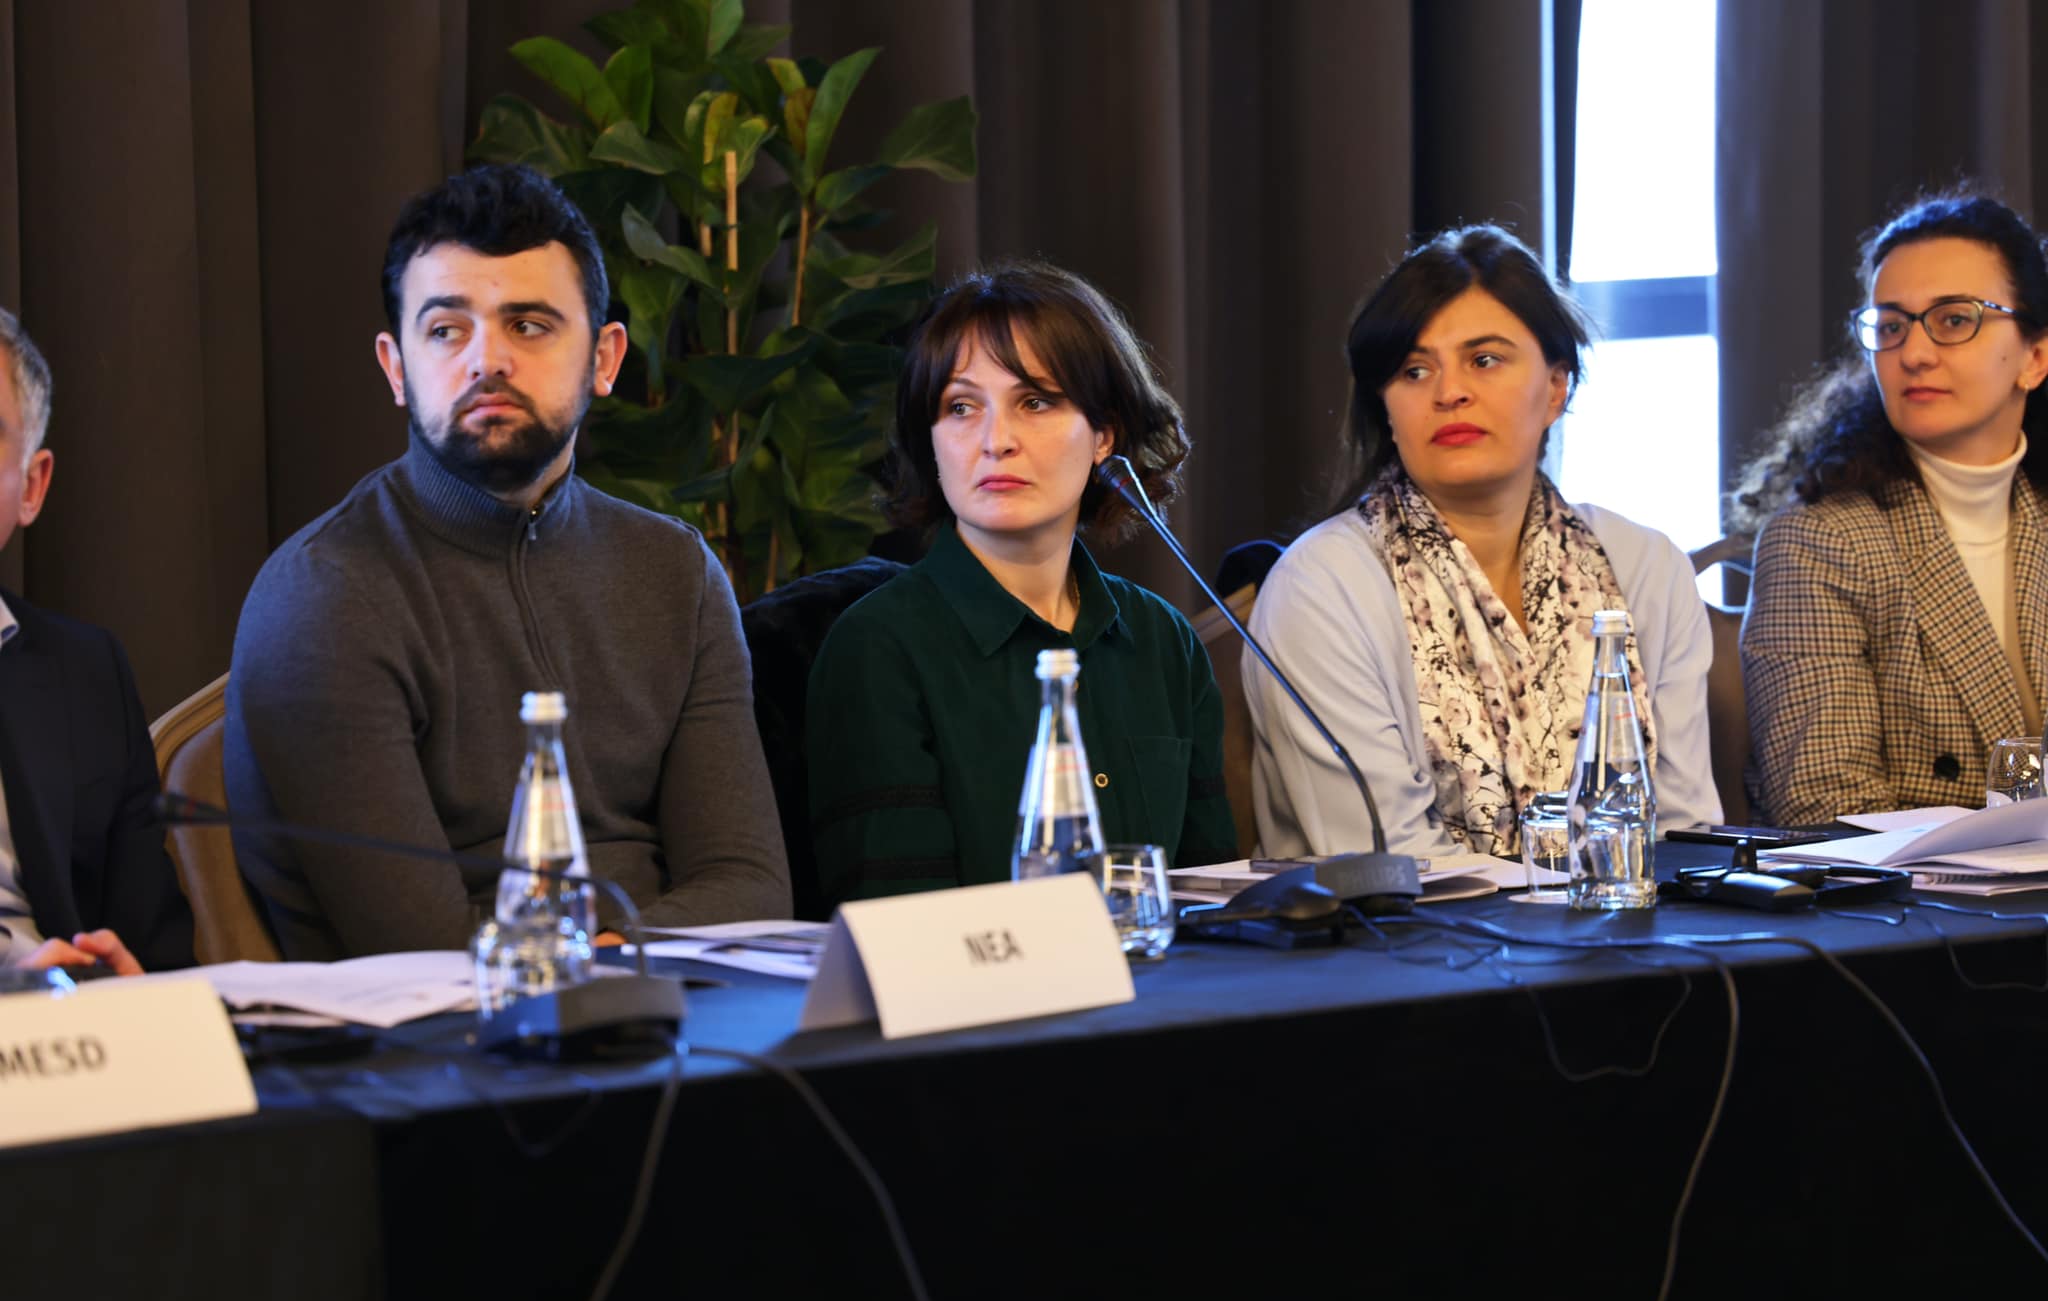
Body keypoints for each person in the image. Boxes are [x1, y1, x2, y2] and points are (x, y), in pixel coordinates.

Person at [225, 165, 790, 961]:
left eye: (528, 325)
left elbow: (750, 887)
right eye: (446, 330)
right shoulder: (324, 597)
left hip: (688, 1005)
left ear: (604, 358)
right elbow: (422, 949)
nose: (486, 360)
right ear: (396, 367)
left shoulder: (677, 573)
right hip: (448, 1026)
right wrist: (623, 955)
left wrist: (621, 953)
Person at [1245, 225, 1720, 859]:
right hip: (1402, 924)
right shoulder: (1321, 588)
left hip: (1636, 922)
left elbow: (1687, 835)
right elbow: (1392, 865)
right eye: (1415, 370)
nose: (1450, 392)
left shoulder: (1648, 566)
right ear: (1386, 408)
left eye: (1485, 360)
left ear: (1556, 387)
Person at [806, 262, 1237, 905]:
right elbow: (899, 926)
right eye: (960, 407)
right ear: (931, 442)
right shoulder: (877, 648)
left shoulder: (1163, 641)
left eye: (1034, 401)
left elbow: (1214, 901)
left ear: (1103, 436)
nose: (996, 440)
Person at [1736, 193, 2048, 824]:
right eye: (1891, 326)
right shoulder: (1820, 542)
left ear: (2035, 358)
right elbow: (1824, 806)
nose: (1915, 353)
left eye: (1954, 320)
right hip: (1932, 887)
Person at [0, 307, 192, 975]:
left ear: (30, 487)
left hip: (71, 1028)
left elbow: (153, 945)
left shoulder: (86, 674)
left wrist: (136, 991)